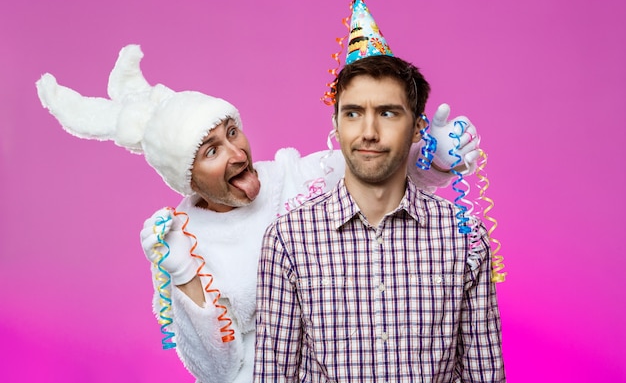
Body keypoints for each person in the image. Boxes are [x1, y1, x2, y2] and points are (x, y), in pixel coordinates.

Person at [36, 42, 479, 382]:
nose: (236, 152)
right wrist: (185, 275)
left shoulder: (289, 174)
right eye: (212, 150)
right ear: (186, 176)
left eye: (233, 132)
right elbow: (216, 369)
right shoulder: (184, 240)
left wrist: (432, 157)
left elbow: (371, 171)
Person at [254, 53, 505, 382]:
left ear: (418, 128)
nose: (369, 132)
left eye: (387, 113)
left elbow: (484, 375)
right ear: (336, 124)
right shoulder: (288, 239)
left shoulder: (464, 236)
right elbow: (273, 374)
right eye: (353, 113)